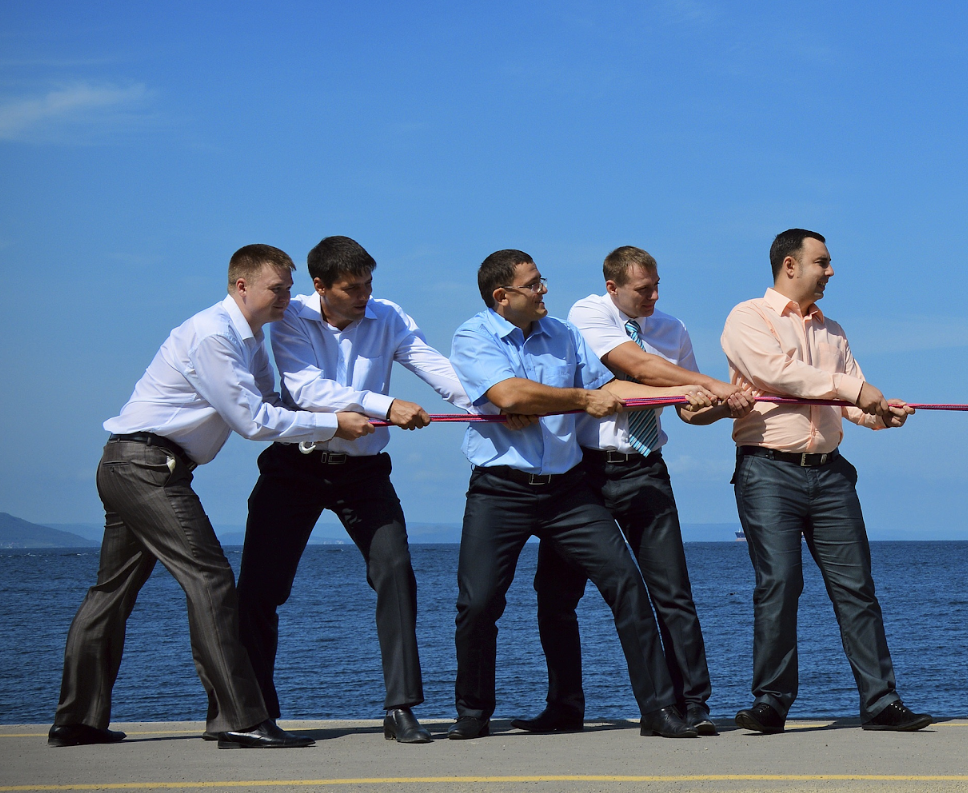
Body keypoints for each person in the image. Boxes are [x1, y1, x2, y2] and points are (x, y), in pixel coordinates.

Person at [51, 245, 369, 749]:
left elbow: (274, 402)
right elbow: (254, 422)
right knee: (212, 580)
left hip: (134, 465)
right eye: (278, 288)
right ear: (242, 286)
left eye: (290, 287)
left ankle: (77, 721)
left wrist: (354, 404)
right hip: (148, 468)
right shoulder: (213, 337)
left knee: (110, 594)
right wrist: (335, 423)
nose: (288, 297)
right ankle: (239, 718)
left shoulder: (250, 341)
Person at [447, 248, 719, 741]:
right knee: (480, 602)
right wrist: (573, 399)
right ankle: (473, 711)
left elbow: (613, 388)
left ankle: (660, 711)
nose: (544, 289)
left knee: (627, 586)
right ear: (502, 296)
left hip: (567, 492)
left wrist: (687, 394)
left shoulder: (564, 335)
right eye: (533, 284)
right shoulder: (472, 336)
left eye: (542, 279)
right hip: (500, 491)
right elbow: (509, 394)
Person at [236, 236, 479, 747]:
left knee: (396, 573)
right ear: (321, 286)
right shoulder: (291, 317)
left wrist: (493, 404)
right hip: (294, 467)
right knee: (261, 589)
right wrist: (386, 405)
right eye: (352, 288)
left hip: (364, 473)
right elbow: (305, 391)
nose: (365, 295)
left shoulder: (387, 315)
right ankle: (252, 713)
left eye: (369, 284)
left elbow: (436, 368)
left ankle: (401, 709)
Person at [523, 244, 754, 737]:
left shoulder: (673, 330)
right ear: (613, 287)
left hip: (646, 469)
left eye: (656, 287)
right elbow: (638, 369)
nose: (652, 297)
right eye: (641, 289)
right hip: (584, 474)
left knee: (673, 593)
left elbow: (690, 410)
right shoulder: (587, 313)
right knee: (556, 595)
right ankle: (564, 705)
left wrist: (725, 405)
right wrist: (712, 383)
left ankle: (692, 705)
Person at [719, 228, 930, 734]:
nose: (831, 271)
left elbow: (847, 400)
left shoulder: (833, 330)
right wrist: (857, 390)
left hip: (830, 473)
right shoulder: (748, 317)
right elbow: (779, 374)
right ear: (790, 266)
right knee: (780, 585)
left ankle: (880, 703)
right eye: (823, 262)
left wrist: (880, 415)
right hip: (768, 471)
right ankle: (771, 702)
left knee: (857, 588)